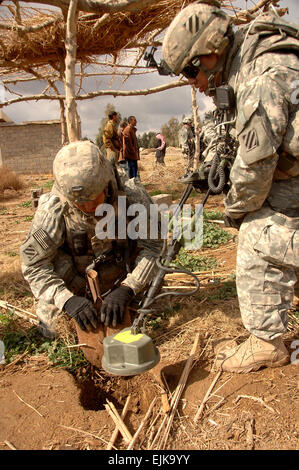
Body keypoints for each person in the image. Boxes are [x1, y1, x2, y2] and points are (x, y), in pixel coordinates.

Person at [162, 0, 299, 373]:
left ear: (208, 56)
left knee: (255, 231)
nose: (194, 84)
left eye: (191, 74)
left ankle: (266, 341)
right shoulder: (248, 61)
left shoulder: (259, 79)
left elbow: (254, 173)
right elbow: (228, 126)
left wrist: (234, 210)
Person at [20, 140, 162, 339]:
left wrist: (129, 287)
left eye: (94, 199)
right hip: (74, 284)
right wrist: (67, 301)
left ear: (106, 181)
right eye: (80, 203)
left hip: (122, 277)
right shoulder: (53, 208)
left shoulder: (131, 195)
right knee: (52, 328)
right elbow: (34, 266)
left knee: (153, 312)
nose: (88, 208)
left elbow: (154, 248)